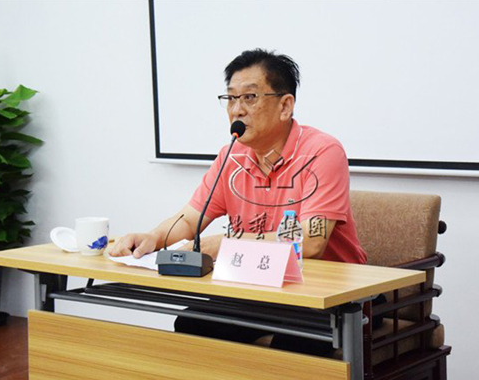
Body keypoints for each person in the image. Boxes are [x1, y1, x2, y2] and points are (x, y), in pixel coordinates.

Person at [110, 49, 367, 356]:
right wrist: (153, 237)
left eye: (249, 97)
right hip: (262, 287)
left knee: (296, 345)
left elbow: (311, 242)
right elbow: (190, 219)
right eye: (230, 98)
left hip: (334, 294)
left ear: (285, 105)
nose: (237, 110)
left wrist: (228, 245)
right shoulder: (231, 156)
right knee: (193, 324)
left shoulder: (322, 152)